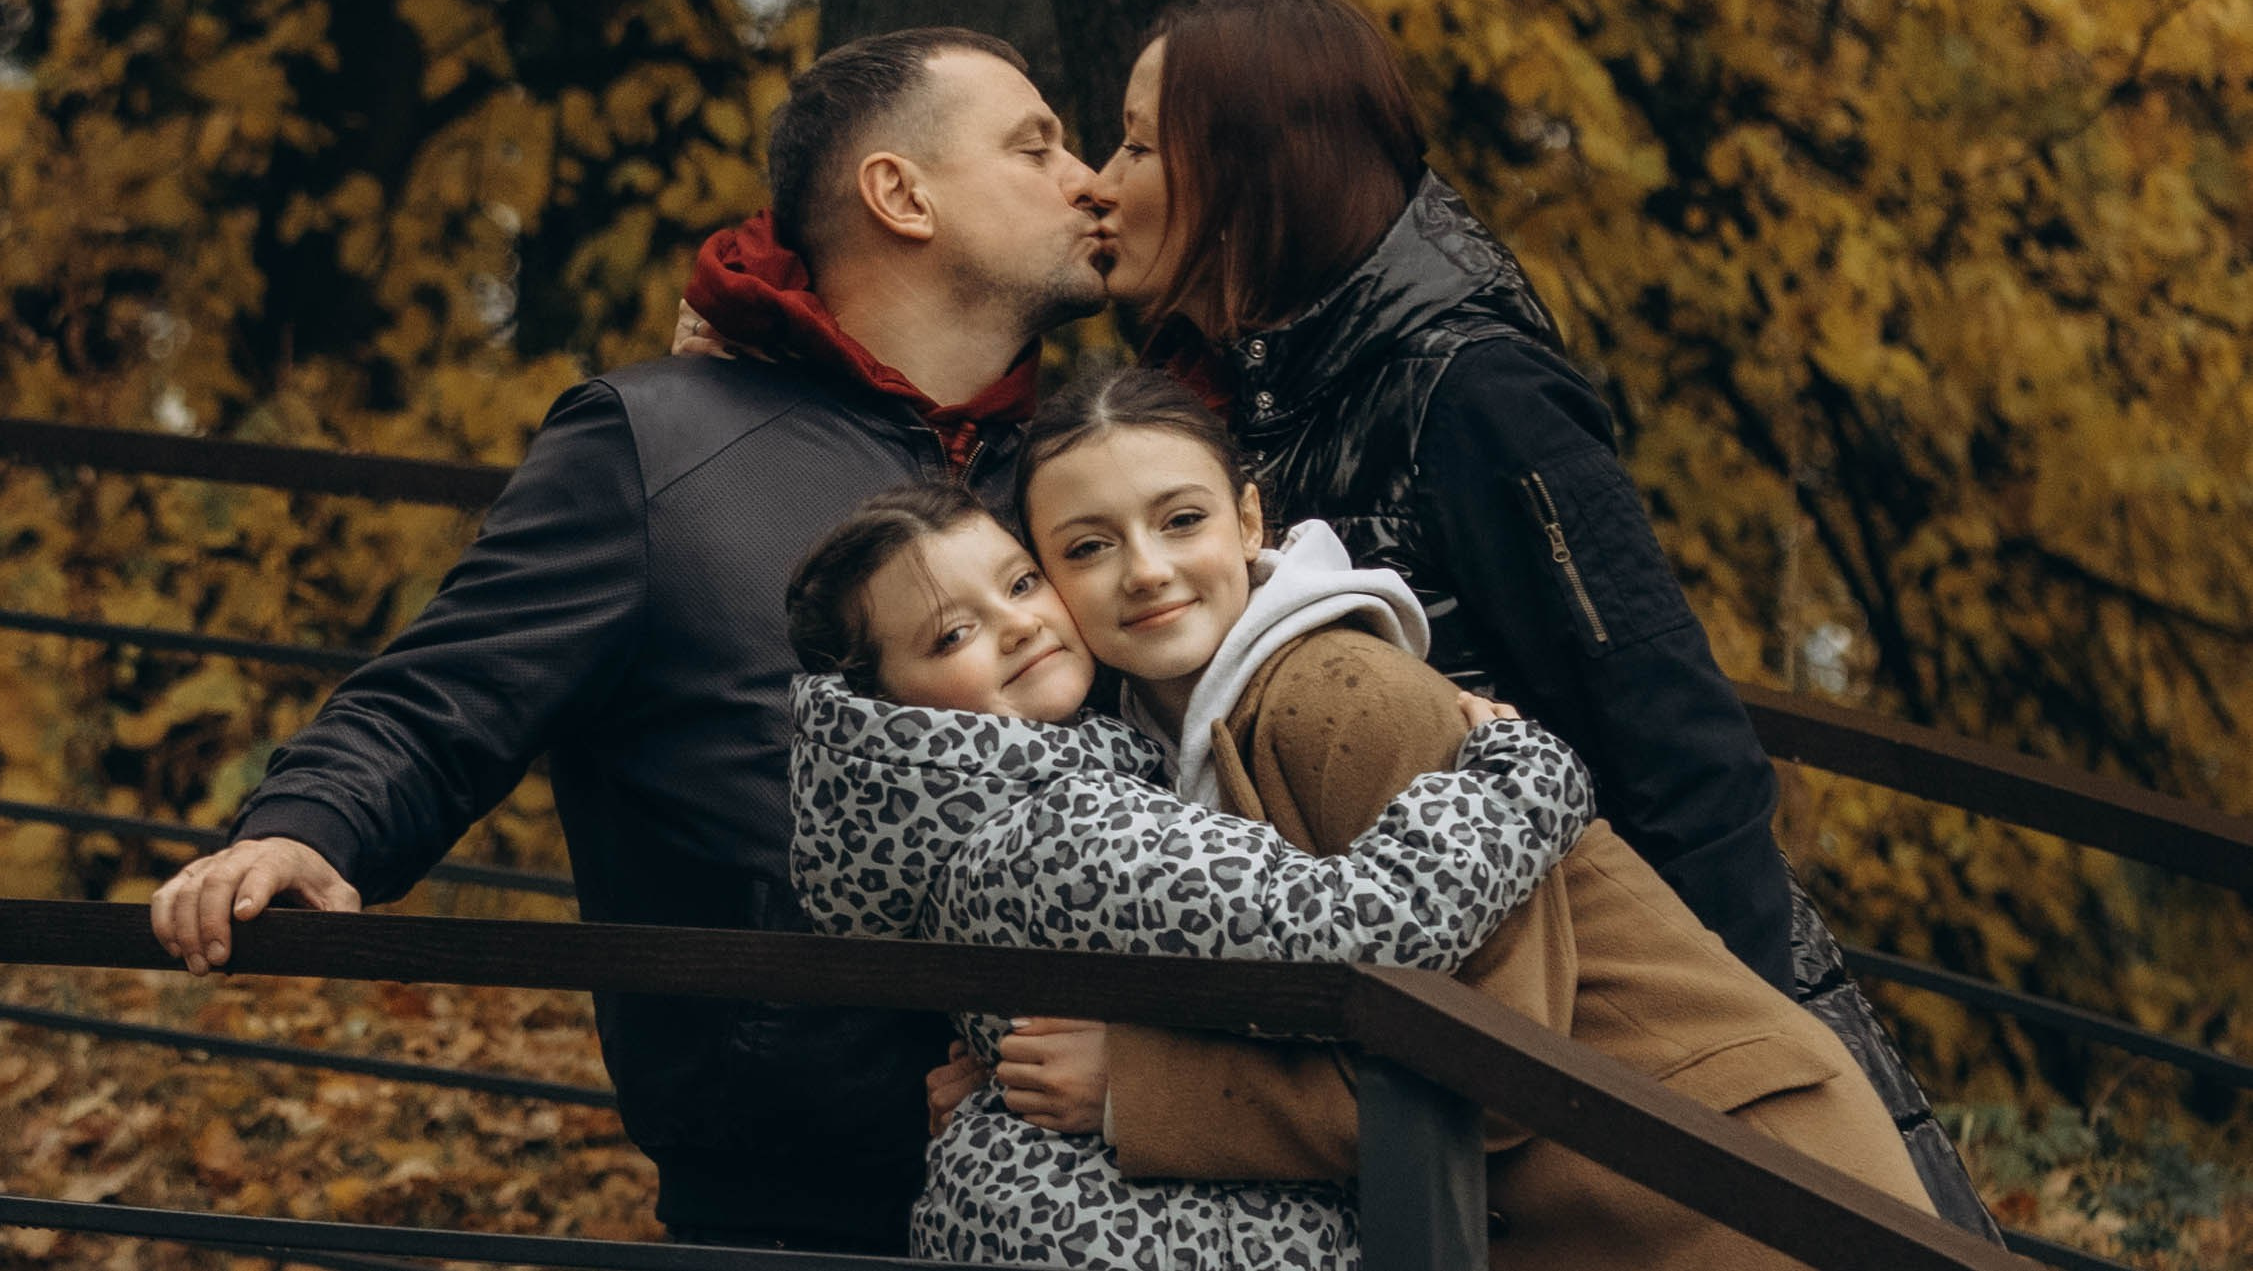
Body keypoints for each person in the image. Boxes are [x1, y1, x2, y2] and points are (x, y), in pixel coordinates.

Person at [148, 26, 1111, 1252]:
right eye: (1036, 146)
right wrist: (303, 827)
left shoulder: (1080, 475)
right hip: (793, 1207)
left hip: (1094, 1181)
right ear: (899, 193)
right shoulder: (655, 442)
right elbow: (444, 696)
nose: (1082, 175)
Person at [1073, 0, 1995, 1233]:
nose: (1099, 179)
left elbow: (1674, 740)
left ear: (1242, 169)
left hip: (1631, 1036)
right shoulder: (1234, 392)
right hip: (1447, 1028)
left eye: (1135, 143)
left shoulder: (1470, 387)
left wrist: (1742, 1058)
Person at [785, 368, 1933, 1269]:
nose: (1142, 571)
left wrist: (1143, 1091)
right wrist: (1004, 1070)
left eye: (1179, 519)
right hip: (1591, 1188)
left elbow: (1492, 1061)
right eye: (1083, 548)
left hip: (1727, 1181)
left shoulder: (1340, 695)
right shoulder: (1128, 749)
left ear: (1247, 520)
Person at [783, 479, 1591, 1270]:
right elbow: (1365, 933)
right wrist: (1520, 777)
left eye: (1021, 582)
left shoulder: (941, 829)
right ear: (879, 705)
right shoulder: (1063, 829)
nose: (1019, 624)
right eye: (952, 634)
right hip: (1161, 1234)